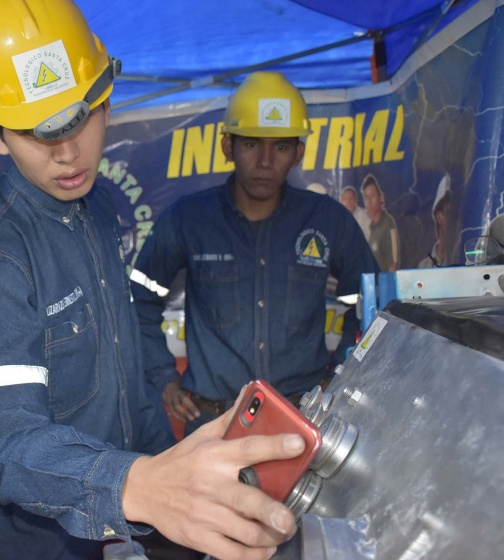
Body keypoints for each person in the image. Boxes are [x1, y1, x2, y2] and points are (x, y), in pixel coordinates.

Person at [0, 2, 307, 559]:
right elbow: (5, 436)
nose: (68, 153)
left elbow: (128, 377)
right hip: (37, 545)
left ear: (107, 102)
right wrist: (138, 487)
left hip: (119, 525)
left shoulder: (96, 208)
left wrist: (168, 481)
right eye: (39, 133)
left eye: (78, 119)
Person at [131, 71, 378, 436]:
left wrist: (341, 374)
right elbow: (139, 300)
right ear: (227, 147)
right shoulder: (188, 219)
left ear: (298, 153)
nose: (265, 161)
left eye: (280, 147)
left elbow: (370, 301)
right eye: (251, 144)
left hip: (301, 423)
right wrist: (163, 377)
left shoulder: (327, 221)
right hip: (213, 426)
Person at [361, 173, 400, 271]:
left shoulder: (388, 224)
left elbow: (393, 264)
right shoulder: (370, 226)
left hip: (384, 280)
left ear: (381, 198)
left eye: (372, 195)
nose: (369, 201)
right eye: (366, 197)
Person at [418, 173, 452, 268]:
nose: (452, 220)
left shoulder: (462, 261)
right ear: (439, 217)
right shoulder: (424, 266)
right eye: (448, 213)